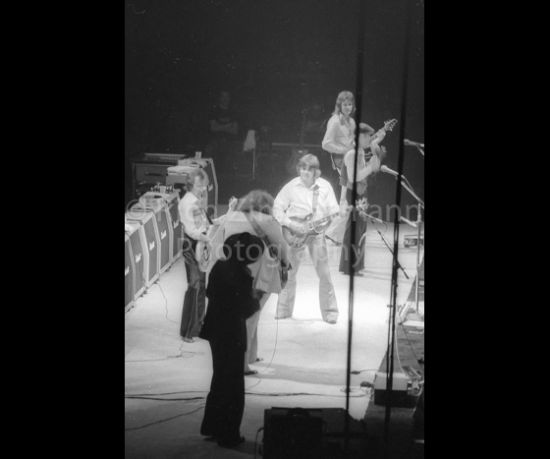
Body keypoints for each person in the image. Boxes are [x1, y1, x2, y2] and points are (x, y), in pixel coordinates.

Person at [199, 232, 265, 448]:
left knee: (219, 379)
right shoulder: (242, 275)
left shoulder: (220, 265)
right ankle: (228, 434)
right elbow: (245, 309)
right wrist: (257, 298)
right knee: (234, 385)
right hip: (232, 333)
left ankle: (212, 427)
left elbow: (210, 292)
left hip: (214, 328)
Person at [219, 190, 290, 375]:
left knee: (247, 316)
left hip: (232, 272)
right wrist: (286, 265)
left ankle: (251, 355)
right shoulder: (268, 221)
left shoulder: (232, 216)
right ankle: (243, 363)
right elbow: (283, 247)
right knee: (251, 317)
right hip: (260, 275)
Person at [273, 154, 345, 324]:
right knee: (289, 273)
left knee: (325, 274)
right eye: (302, 168)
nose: (305, 172)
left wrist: (332, 219)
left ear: (316, 172)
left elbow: (334, 210)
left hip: (316, 234)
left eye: (309, 169)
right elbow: (277, 208)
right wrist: (291, 224)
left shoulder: (325, 187)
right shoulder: (291, 186)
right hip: (293, 232)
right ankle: (283, 310)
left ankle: (330, 312)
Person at [339, 122, 385, 275]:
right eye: (365, 136)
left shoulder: (358, 151)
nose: (368, 139)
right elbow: (354, 177)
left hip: (360, 194)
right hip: (355, 195)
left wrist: (376, 145)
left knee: (359, 229)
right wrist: (370, 168)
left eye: (368, 136)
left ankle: (352, 265)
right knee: (355, 230)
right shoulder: (352, 153)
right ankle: (351, 266)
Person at [177, 168, 211, 343]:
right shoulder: (187, 203)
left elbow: (203, 223)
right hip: (191, 245)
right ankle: (187, 331)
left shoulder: (197, 201)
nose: (203, 189)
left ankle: (198, 327)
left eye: (204, 186)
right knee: (194, 285)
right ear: (191, 185)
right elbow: (190, 229)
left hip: (200, 243)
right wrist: (205, 237)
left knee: (201, 286)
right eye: (199, 186)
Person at [322, 90, 357, 200]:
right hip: (339, 163)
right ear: (339, 105)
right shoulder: (335, 121)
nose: (347, 107)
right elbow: (326, 144)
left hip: (350, 162)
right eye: (345, 104)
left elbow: (351, 142)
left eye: (350, 104)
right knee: (339, 198)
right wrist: (344, 150)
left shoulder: (352, 122)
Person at [205, 90, 240, 173]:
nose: (225, 99)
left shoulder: (233, 112)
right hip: (215, 141)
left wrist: (220, 126)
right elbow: (213, 128)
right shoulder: (214, 111)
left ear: (230, 98)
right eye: (223, 96)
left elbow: (235, 130)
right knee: (208, 150)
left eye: (227, 96)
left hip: (230, 141)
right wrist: (228, 126)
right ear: (219, 98)